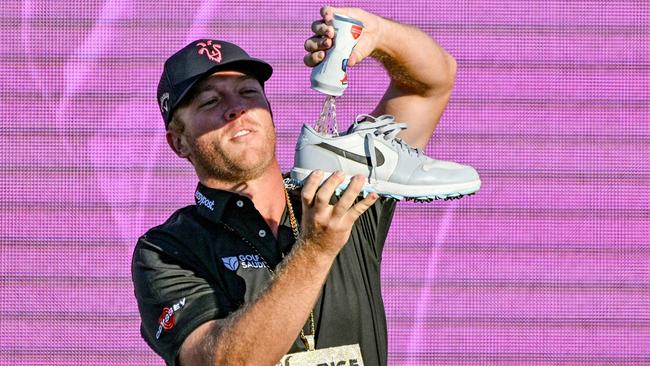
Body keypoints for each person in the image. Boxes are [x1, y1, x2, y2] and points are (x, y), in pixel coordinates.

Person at [132, 6, 457, 366]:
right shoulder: (167, 249)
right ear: (179, 143)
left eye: (248, 92)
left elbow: (430, 83)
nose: (236, 108)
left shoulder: (339, 190)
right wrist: (316, 249)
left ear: (270, 108)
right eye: (210, 101)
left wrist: (377, 36)